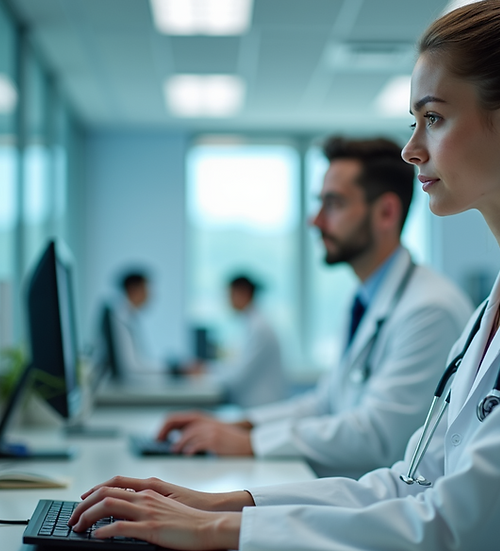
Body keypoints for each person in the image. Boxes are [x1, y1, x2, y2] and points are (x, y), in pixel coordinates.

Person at [67, 1, 500, 548]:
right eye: (414, 122)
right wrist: (219, 505)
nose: (411, 148)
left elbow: (458, 528)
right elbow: (411, 483)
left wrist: (219, 534)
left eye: (435, 119)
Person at [156, 136, 474, 478]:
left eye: (333, 204)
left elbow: (378, 434)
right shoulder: (364, 300)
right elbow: (325, 403)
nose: (315, 221)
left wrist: (254, 442)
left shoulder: (429, 310)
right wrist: (239, 425)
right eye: (318, 203)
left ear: (386, 212)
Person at [204, 274, 288, 408]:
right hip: (254, 406)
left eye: (230, 295)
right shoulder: (251, 326)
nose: (228, 301)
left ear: (243, 293)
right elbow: (235, 367)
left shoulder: (259, 329)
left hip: (263, 407)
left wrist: (206, 372)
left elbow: (238, 376)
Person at [109, 270, 163, 375]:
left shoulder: (129, 317)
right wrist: (173, 369)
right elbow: (132, 367)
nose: (149, 295)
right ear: (133, 289)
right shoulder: (120, 318)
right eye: (146, 289)